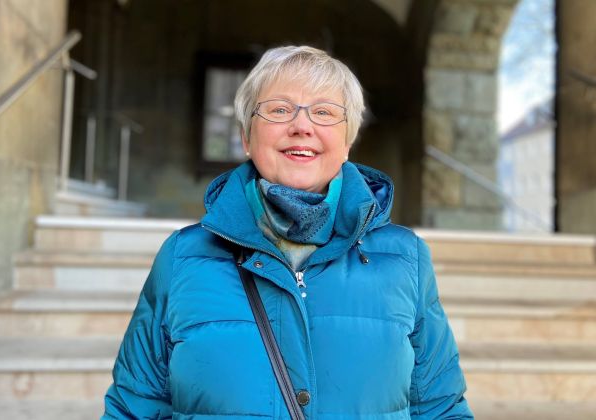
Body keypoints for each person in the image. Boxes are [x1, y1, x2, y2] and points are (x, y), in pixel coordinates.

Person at [103, 45, 474, 419]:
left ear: (347, 142)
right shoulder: (183, 257)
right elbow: (133, 409)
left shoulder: (405, 259)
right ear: (246, 137)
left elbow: (441, 408)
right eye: (280, 110)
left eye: (324, 112)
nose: (302, 126)